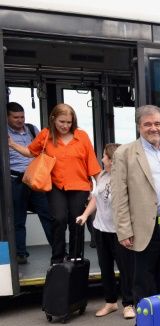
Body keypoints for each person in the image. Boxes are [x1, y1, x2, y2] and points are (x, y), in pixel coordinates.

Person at [111, 105, 160, 326]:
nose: (153, 128)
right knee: (144, 278)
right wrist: (124, 230)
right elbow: (119, 195)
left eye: (157, 124)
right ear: (138, 126)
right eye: (147, 124)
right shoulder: (124, 153)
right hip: (145, 227)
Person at [17, 103, 101, 265]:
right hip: (56, 186)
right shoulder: (46, 134)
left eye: (69, 122)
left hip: (80, 185)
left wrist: (101, 184)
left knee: (77, 221)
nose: (65, 126)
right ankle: (57, 259)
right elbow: (30, 151)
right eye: (62, 122)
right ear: (53, 119)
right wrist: (12, 145)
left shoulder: (81, 136)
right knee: (58, 219)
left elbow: (91, 161)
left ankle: (76, 257)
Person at [75, 143, 136, 319]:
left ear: (113, 160)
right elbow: (95, 198)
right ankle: (110, 302)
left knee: (126, 268)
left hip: (120, 231)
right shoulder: (101, 176)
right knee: (105, 267)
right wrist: (85, 215)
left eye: (104, 156)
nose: (102, 159)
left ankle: (129, 303)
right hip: (101, 229)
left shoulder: (126, 178)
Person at [6, 102, 54, 265]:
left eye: (22, 116)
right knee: (18, 219)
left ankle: (58, 250)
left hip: (35, 179)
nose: (20, 120)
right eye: (15, 117)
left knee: (47, 215)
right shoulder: (4, 133)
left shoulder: (32, 129)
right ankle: (21, 254)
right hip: (15, 180)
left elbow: (45, 148)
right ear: (7, 117)